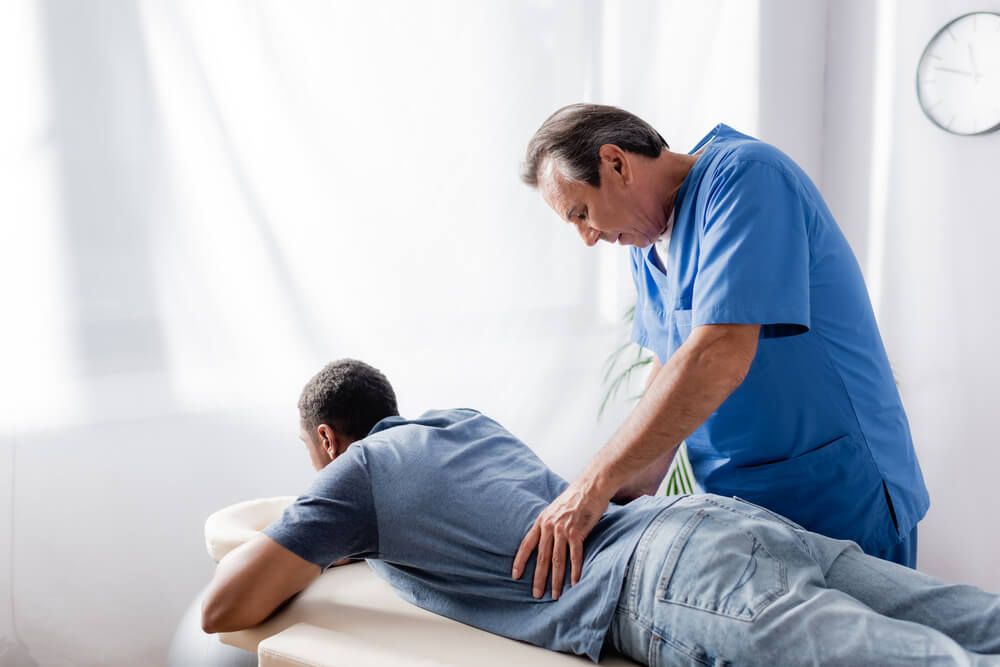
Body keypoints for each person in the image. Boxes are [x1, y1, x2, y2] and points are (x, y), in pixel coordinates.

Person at [201, 360, 1000, 666]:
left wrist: (324, 524)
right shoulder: (468, 422)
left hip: (669, 583)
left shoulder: (356, 473)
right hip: (712, 521)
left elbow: (222, 608)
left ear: (328, 439)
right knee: (974, 621)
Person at [514, 104, 929, 589]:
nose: (587, 237)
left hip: (837, 493)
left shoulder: (746, 178)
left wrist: (591, 487)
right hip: (748, 511)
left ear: (616, 163)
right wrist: (608, 507)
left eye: (581, 213)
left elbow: (718, 353)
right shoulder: (648, 249)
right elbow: (668, 372)